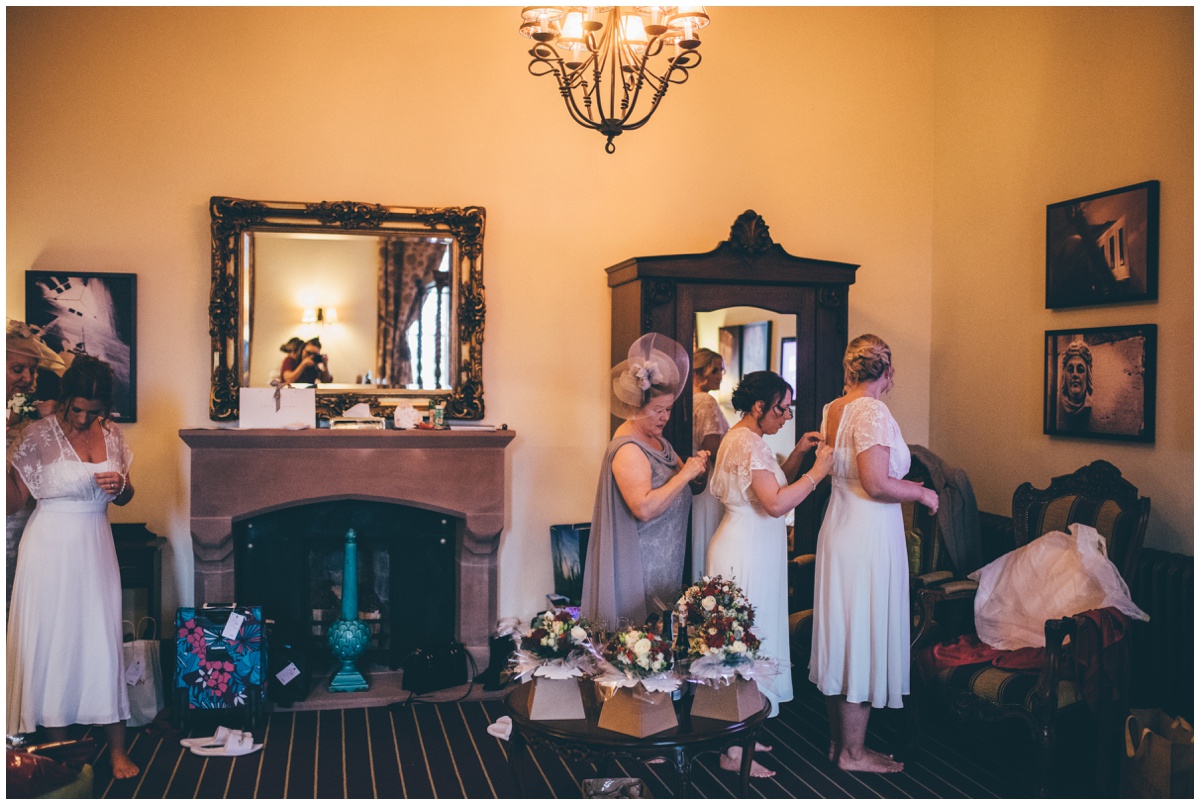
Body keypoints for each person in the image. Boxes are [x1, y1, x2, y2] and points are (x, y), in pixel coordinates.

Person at [6, 355, 139, 779]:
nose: (84, 418)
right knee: (55, 643)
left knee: (101, 640)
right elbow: (15, 501)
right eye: (77, 409)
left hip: (96, 546)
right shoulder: (37, 435)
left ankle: (117, 749)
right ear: (65, 400)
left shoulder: (112, 435)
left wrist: (121, 487)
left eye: (93, 412)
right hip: (49, 549)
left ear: (106, 408)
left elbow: (126, 495)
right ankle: (60, 749)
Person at [810, 334, 938, 774]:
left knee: (844, 632)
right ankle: (853, 753)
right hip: (867, 533)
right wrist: (922, 494)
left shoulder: (834, 408)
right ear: (887, 372)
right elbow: (877, 483)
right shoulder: (872, 410)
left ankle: (839, 743)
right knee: (860, 632)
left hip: (839, 528)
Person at [706, 370, 834, 778]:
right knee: (743, 646)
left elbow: (770, 484)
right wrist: (819, 473)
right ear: (759, 407)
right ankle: (732, 750)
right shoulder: (750, 445)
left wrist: (797, 453)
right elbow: (776, 504)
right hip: (747, 553)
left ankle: (739, 731)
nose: (787, 416)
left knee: (745, 640)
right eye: (782, 408)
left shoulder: (742, 439)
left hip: (746, 544)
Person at [580, 333, 710, 629]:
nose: (665, 417)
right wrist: (686, 474)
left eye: (668, 409)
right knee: (641, 636)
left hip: (666, 560)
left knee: (660, 635)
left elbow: (687, 482)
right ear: (634, 408)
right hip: (641, 562)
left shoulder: (657, 440)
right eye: (657, 410)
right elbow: (644, 508)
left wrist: (697, 469)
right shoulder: (629, 449)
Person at [6, 320, 64, 610]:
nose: (28, 378)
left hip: (24, 530)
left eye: (33, 370)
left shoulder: (18, 418)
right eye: (18, 369)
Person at [690, 348, 729, 582]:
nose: (720, 375)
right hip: (710, 475)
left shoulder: (689, 400)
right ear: (702, 371)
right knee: (709, 531)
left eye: (721, 370)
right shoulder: (705, 401)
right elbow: (712, 445)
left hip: (696, 475)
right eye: (716, 369)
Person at [1057, 339, 1093, 431]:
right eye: (1070, 369)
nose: (1075, 374)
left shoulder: (1087, 405)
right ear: (1064, 375)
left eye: (1080, 370)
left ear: (1087, 375)